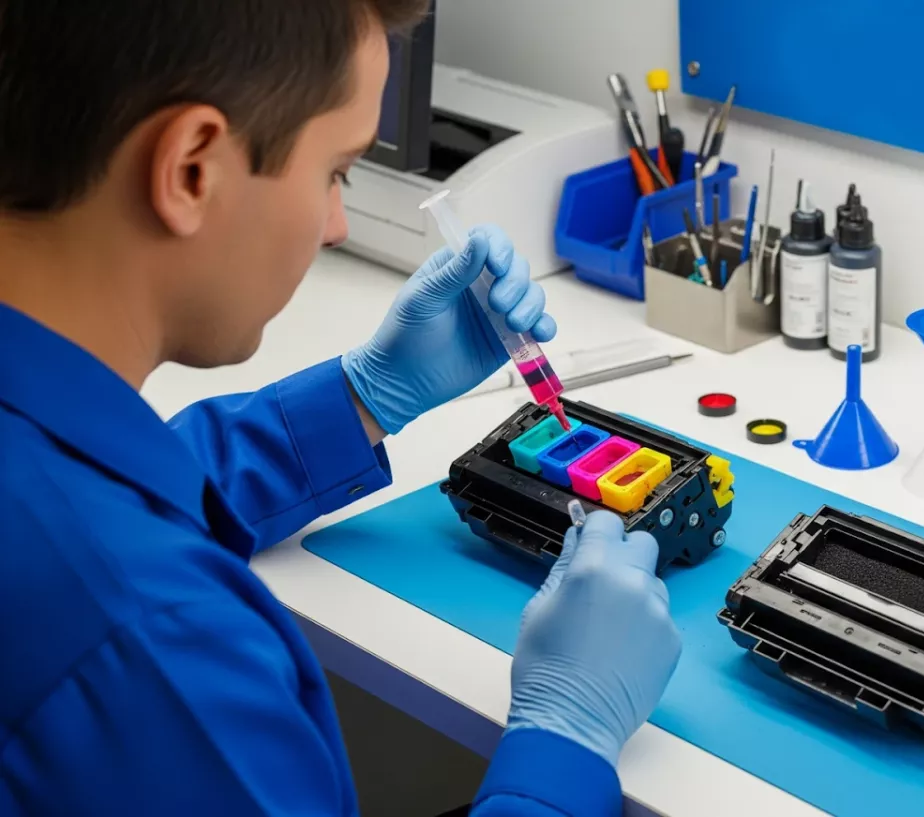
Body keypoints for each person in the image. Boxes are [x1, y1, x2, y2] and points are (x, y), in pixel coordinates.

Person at [0, 2, 681, 815]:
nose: (336, 226)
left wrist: (363, 396)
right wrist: (565, 740)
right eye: (337, 173)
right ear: (190, 169)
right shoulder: (157, 652)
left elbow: (99, 487)